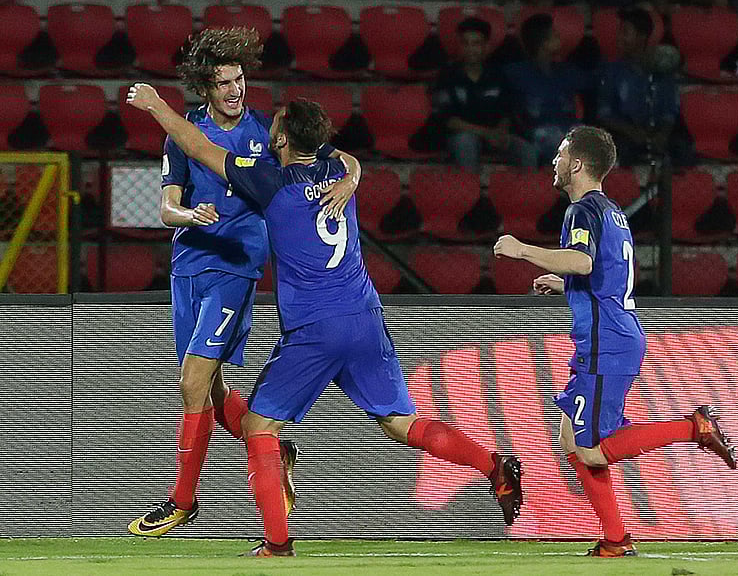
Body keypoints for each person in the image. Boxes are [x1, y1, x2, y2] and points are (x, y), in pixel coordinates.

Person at [127, 87, 525, 557]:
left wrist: (155, 106)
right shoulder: (337, 170)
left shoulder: (270, 181)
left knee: (258, 427)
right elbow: (348, 158)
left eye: (276, 125)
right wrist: (354, 174)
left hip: (315, 329)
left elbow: (196, 145)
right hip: (364, 317)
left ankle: (276, 544)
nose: (270, 130)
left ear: (284, 140)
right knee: (401, 423)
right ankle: (492, 465)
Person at [127, 27, 361, 537]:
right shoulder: (181, 134)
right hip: (189, 267)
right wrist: (189, 214)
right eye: (224, 83)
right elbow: (166, 206)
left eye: (240, 79)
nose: (236, 90)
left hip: (236, 270)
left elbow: (335, 158)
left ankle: (182, 501)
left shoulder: (266, 133)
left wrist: (351, 178)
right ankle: (277, 451)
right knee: (210, 389)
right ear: (205, 89)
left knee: (190, 383)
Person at [492, 126, 736, 557]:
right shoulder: (612, 212)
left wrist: (523, 249)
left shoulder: (582, 210)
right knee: (573, 441)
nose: (554, 160)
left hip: (608, 344)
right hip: (609, 339)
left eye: (561, 154)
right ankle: (615, 539)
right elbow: (605, 273)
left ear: (579, 164)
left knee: (591, 450)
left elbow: (583, 261)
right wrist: (565, 285)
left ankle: (693, 427)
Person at [431, 17, 535, 171]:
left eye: (476, 44)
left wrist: (501, 131)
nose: (470, 49)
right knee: (465, 143)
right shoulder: (448, 76)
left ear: (486, 46)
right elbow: (449, 121)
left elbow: (507, 110)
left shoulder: (497, 75)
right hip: (463, 136)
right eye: (466, 43)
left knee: (527, 150)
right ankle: (468, 193)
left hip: (494, 135)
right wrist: (486, 133)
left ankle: (526, 194)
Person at [594, 7, 683, 164]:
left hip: (656, 134)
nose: (619, 37)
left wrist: (662, 134)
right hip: (624, 136)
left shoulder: (662, 71)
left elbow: (670, 111)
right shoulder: (612, 72)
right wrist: (632, 132)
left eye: (625, 32)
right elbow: (604, 114)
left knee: (682, 150)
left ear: (641, 37)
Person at [504, 14, 592, 165]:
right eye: (555, 35)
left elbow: (590, 84)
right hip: (537, 133)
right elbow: (514, 113)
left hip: (569, 128)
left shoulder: (567, 71)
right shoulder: (516, 73)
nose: (559, 38)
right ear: (543, 42)